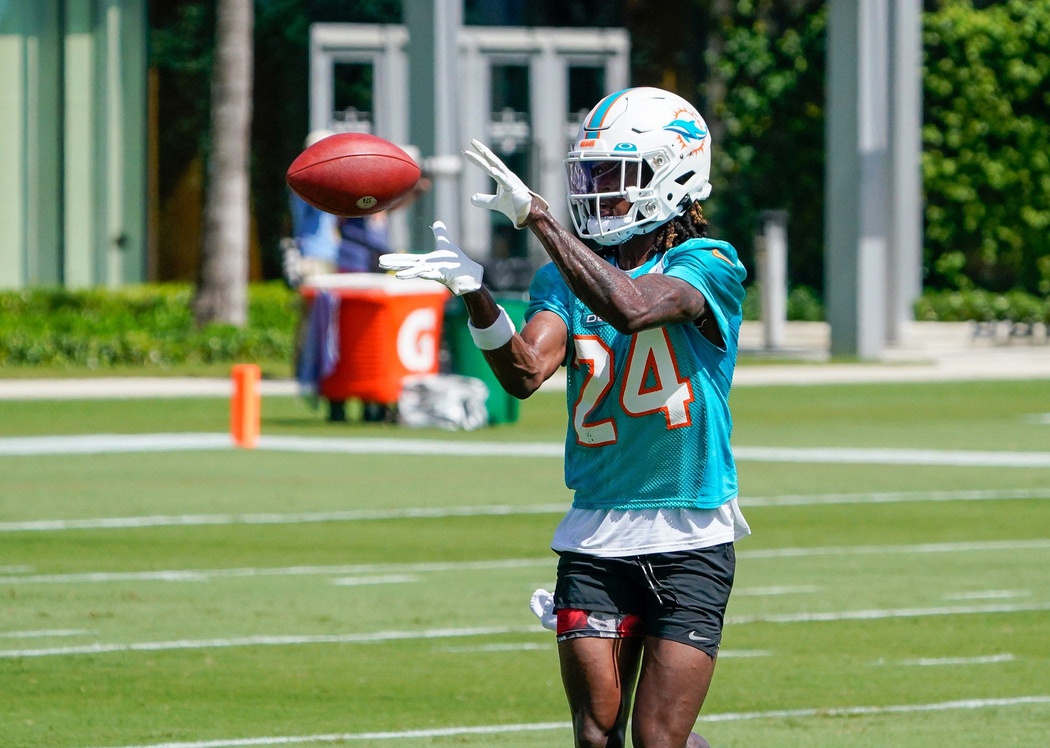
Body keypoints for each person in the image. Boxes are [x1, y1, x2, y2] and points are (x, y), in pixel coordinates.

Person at [380, 87, 749, 748]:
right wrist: (477, 294)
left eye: (618, 176)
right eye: (594, 176)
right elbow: (524, 373)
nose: (601, 192)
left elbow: (633, 307)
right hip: (596, 530)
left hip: (688, 527)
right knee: (595, 738)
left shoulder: (709, 264)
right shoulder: (565, 279)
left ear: (676, 175)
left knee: (660, 739)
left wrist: (542, 223)